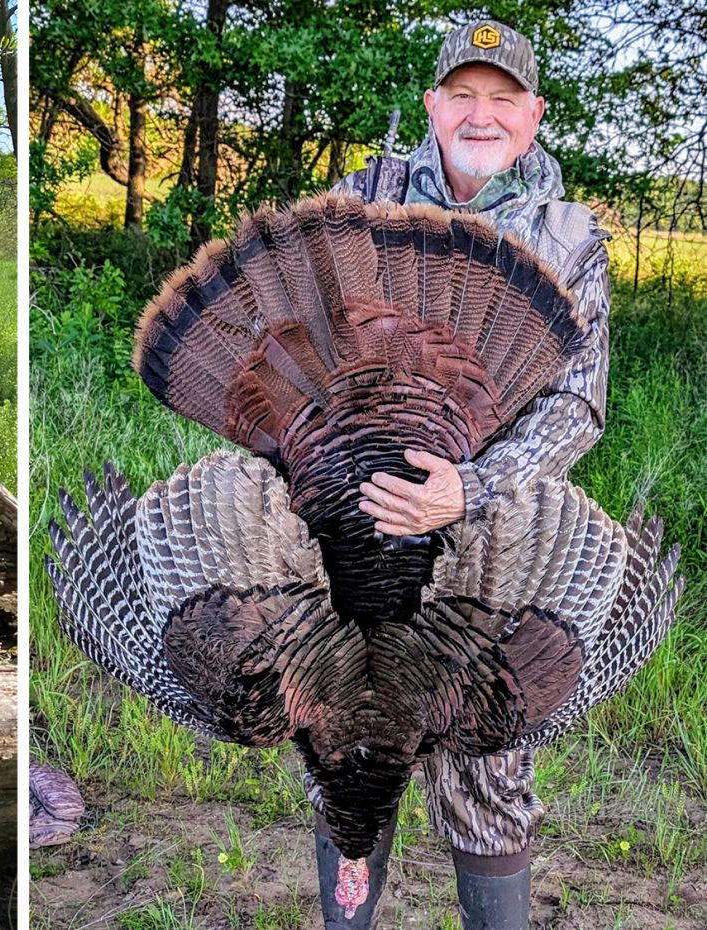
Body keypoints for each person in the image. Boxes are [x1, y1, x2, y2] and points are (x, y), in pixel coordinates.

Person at [321, 19, 612, 930]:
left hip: (496, 535)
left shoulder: (567, 237)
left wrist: (469, 488)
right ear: (432, 106)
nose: (479, 116)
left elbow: (578, 409)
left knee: (487, 755)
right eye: (462, 95)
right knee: (349, 752)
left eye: (501, 100)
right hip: (358, 525)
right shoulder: (361, 198)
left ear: (532, 117)